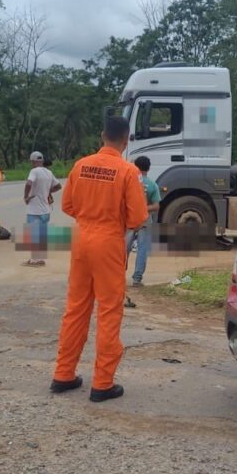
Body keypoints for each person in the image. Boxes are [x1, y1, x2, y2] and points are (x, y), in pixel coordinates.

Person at [51, 116, 148, 403]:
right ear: (126, 140)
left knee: (76, 308)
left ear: (102, 135)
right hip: (108, 241)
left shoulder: (81, 165)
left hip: (81, 239)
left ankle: (63, 374)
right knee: (108, 310)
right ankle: (102, 383)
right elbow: (138, 217)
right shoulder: (128, 171)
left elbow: (67, 204)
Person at [126, 156, 160, 286]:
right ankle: (137, 279)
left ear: (135, 166)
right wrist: (144, 208)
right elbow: (156, 206)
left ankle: (117, 275)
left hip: (129, 220)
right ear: (149, 168)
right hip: (145, 221)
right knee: (142, 250)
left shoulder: (130, 182)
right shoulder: (152, 185)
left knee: (124, 249)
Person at [23, 151, 61, 266]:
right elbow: (58, 186)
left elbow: (29, 183)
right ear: (42, 160)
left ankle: (34, 260)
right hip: (46, 210)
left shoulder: (34, 171)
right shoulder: (48, 172)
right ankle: (40, 259)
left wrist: (26, 197)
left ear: (33, 161)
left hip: (34, 210)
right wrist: (49, 191)